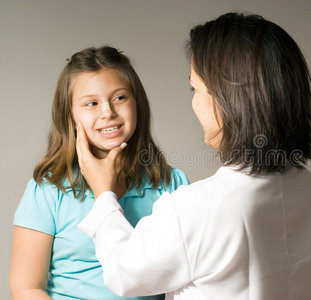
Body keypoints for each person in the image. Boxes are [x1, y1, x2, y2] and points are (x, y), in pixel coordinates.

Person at [77, 13, 311, 300]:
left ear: (227, 98)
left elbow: (122, 273)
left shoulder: (194, 210)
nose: (193, 101)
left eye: (196, 88)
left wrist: (104, 195)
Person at [9, 46, 189, 300]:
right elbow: (26, 288)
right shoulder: (48, 191)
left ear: (138, 104)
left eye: (120, 98)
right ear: (70, 116)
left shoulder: (171, 184)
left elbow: (188, 274)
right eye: (91, 103)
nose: (107, 112)